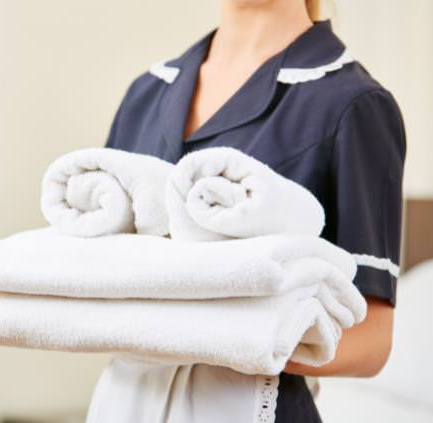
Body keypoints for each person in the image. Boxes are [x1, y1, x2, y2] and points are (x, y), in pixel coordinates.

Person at [103, 0, 406, 421]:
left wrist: (229, 339)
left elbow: (372, 340)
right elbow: (95, 274)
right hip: (127, 404)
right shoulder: (146, 93)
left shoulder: (354, 104)